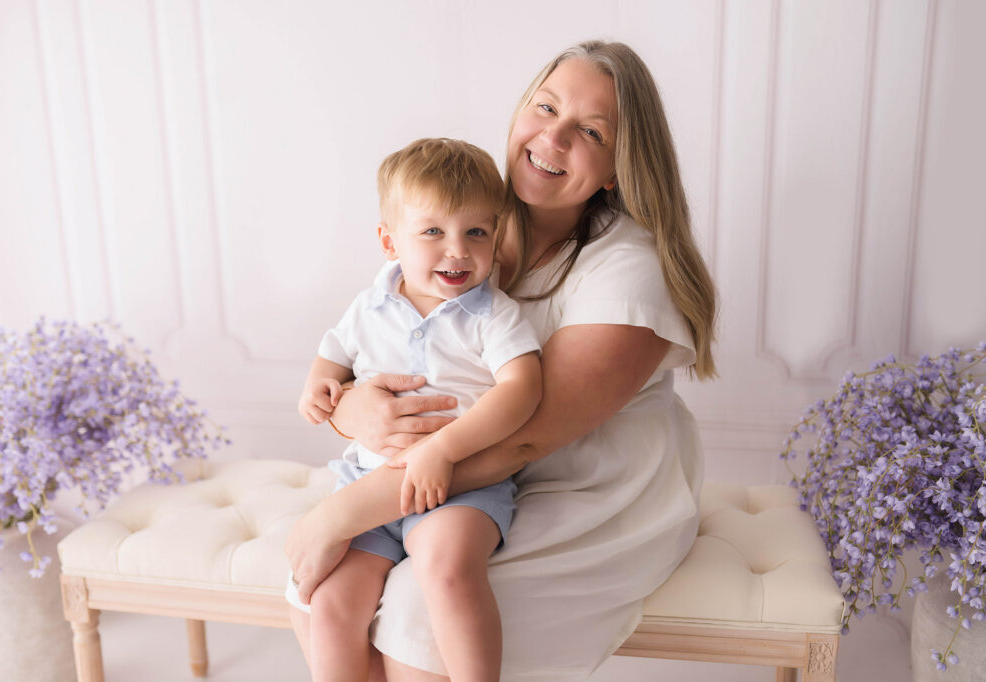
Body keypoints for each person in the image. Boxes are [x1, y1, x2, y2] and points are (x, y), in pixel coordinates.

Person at [285, 40, 717, 681]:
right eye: (545, 107)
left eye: (590, 131)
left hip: (586, 486)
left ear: (617, 169)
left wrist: (340, 513)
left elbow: (525, 437)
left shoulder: (629, 270)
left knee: (413, 616)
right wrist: (352, 411)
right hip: (448, 472)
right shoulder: (470, 224)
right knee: (322, 594)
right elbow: (379, 342)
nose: (553, 136)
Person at [287, 137, 543, 682]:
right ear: (389, 241)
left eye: (476, 231)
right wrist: (319, 388)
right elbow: (332, 357)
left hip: (461, 487)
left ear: (496, 239)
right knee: (331, 603)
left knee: (447, 571)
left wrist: (443, 449)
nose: (457, 249)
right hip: (367, 483)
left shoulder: (493, 315)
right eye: (433, 231)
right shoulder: (370, 306)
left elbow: (522, 389)